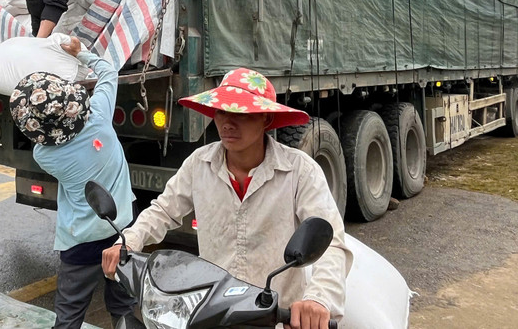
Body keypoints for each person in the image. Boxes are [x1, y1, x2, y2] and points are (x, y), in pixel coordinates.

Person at [102, 69, 352, 329]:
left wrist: (318, 299)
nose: (227, 122)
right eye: (222, 111)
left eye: (240, 113)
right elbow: (164, 209)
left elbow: (331, 243)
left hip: (277, 316)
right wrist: (130, 240)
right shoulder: (199, 163)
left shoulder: (300, 170)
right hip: (209, 312)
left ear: (265, 118)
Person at [10, 36, 137, 328]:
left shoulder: (45, 155)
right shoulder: (100, 117)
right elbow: (108, 72)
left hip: (79, 241)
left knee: (69, 314)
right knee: (123, 305)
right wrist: (82, 54)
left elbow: (44, 135)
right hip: (121, 233)